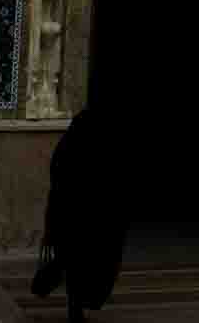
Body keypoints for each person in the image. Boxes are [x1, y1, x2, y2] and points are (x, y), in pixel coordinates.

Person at [41, 106, 130, 322]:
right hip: (92, 218)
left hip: (73, 217)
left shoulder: (69, 145)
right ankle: (80, 306)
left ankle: (76, 307)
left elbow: (57, 179)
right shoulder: (104, 148)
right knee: (88, 264)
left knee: (75, 266)